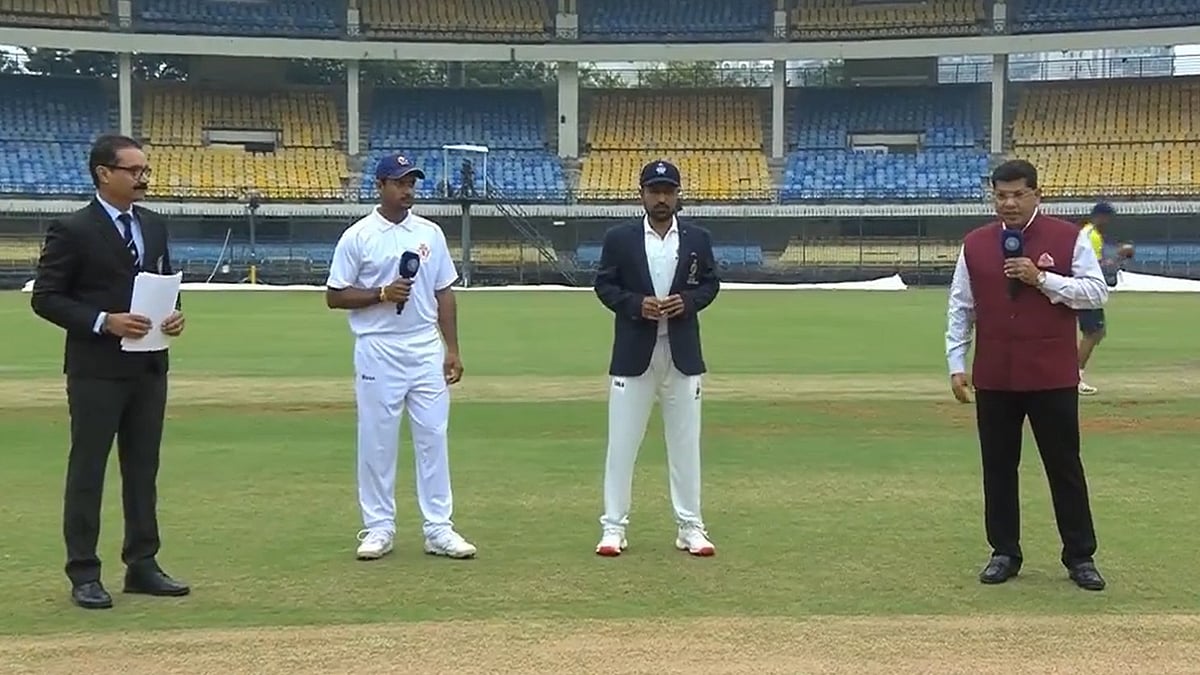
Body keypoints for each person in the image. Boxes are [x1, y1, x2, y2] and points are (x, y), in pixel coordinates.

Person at [30, 134, 189, 610]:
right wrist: (103, 321)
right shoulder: (73, 228)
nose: (144, 178)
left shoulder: (155, 226)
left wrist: (175, 312)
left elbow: (162, 282)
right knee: (88, 470)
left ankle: (142, 563)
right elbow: (46, 297)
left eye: (145, 170)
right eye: (134, 170)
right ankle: (84, 572)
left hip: (149, 366)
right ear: (104, 173)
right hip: (96, 369)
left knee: (143, 470)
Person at [945, 159, 1109, 591]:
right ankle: (1004, 551)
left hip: (1051, 374)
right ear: (993, 196)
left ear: (1037, 194)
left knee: (1064, 466)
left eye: (1018, 194)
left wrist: (1044, 279)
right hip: (995, 374)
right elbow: (961, 307)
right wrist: (956, 363)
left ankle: (1080, 556)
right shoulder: (975, 244)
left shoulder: (1068, 237)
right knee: (998, 467)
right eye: (1001, 195)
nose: (1010, 203)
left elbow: (1096, 291)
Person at [325, 153, 476, 561]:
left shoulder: (430, 233)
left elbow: (444, 291)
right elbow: (334, 295)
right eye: (398, 183)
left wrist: (453, 348)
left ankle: (438, 529)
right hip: (378, 348)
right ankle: (378, 528)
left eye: (411, 182)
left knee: (433, 437)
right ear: (380, 186)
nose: (407, 190)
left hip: (423, 346)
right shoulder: (358, 236)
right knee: (377, 440)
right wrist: (379, 294)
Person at [592, 159, 721, 558]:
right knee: (622, 444)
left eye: (668, 191)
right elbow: (603, 285)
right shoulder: (621, 238)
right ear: (642, 194)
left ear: (678, 194)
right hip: (634, 353)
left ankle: (690, 527)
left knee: (685, 446)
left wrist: (687, 301)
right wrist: (635, 305)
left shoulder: (697, 238)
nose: (661, 198)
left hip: (681, 354)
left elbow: (711, 284)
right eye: (655, 190)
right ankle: (613, 527)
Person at [1076, 201, 1116, 396]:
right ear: (1100, 217)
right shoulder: (1092, 236)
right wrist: (1119, 257)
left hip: (1083, 289)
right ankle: (1075, 377)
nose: (1109, 222)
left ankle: (1074, 374)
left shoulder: (1089, 233)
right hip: (1087, 291)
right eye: (1108, 218)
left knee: (1096, 332)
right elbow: (1092, 267)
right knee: (1093, 332)